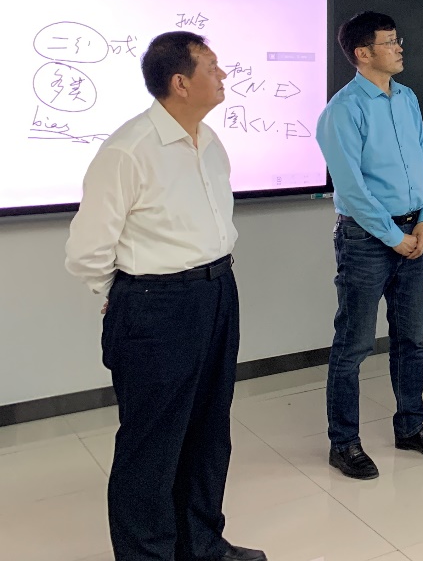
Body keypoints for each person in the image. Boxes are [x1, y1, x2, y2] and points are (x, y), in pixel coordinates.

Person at [65, 31, 265, 561]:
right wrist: (124, 296)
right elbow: (86, 250)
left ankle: (201, 544)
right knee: (152, 442)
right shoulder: (128, 150)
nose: (224, 75)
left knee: (209, 429)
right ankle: (147, 554)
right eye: (212, 67)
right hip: (156, 305)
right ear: (180, 82)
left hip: (217, 293)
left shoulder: (210, 141)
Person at [316, 11, 423, 481]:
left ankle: (411, 426)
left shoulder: (407, 98)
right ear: (363, 52)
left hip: (417, 232)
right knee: (353, 345)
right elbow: (352, 190)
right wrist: (395, 238)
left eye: (398, 39)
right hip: (367, 240)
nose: (399, 47)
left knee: (411, 340)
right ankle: (344, 442)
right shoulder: (343, 110)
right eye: (390, 41)